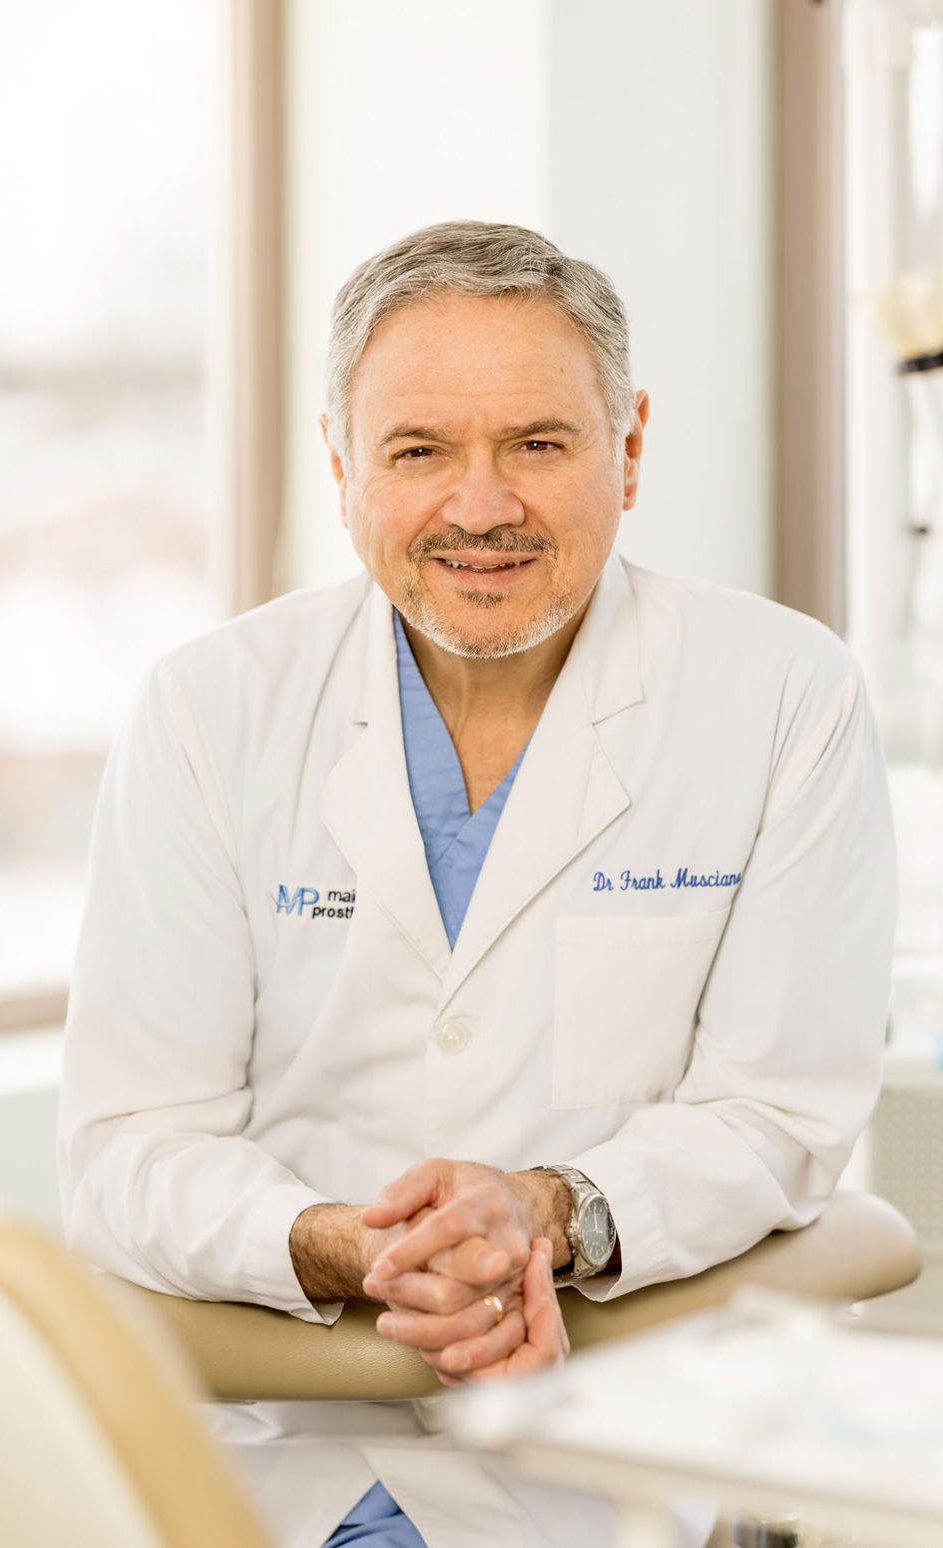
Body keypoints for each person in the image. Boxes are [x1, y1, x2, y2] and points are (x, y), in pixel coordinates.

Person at [58, 220, 896, 1548]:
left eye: (540, 444)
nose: (481, 505)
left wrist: (552, 1214)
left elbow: (779, 1112)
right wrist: (333, 1241)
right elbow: (128, 1147)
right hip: (278, 1453)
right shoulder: (211, 709)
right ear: (341, 464)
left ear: (628, 445)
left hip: (599, 1454)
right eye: (418, 450)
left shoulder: (782, 694)